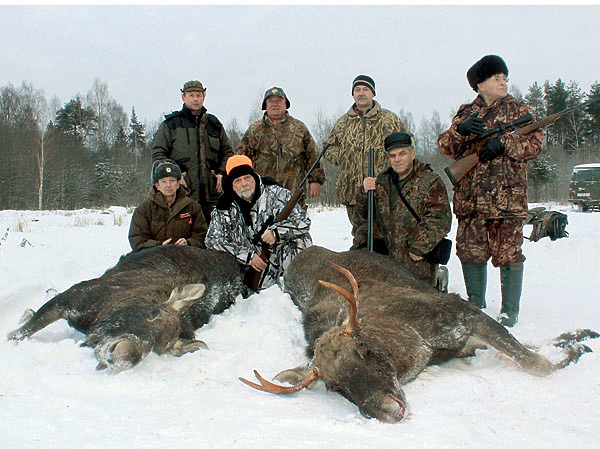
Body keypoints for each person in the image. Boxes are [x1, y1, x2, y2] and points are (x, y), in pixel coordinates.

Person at [438, 55, 543, 327]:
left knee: (509, 253)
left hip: (507, 198)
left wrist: (506, 144)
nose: (503, 81)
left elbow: (535, 146)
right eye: (496, 77)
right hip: (471, 199)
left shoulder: (519, 110)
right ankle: (475, 305)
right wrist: (460, 131)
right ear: (479, 84)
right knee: (470, 251)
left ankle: (509, 311)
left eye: (505, 77)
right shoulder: (465, 113)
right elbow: (446, 147)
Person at [354, 132, 451, 288]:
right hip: (385, 265)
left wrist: (419, 248)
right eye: (392, 155)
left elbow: (440, 220)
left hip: (417, 265)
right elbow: (361, 219)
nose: (397, 159)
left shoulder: (430, 181)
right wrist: (363, 193)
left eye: (402, 154)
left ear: (412, 154)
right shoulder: (380, 182)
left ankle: (438, 280)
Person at [205, 155, 312, 290]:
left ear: (255, 177)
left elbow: (303, 221)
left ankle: (301, 286)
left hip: (281, 256)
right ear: (231, 185)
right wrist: (247, 256)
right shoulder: (224, 207)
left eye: (247, 178)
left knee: (300, 239)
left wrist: (276, 232)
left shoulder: (276, 194)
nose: (244, 183)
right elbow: (212, 240)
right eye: (238, 180)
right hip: (250, 265)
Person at [325, 74, 409, 237]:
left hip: (385, 190)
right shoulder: (343, 123)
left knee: (389, 235)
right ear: (353, 94)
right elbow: (327, 148)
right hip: (354, 192)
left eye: (365, 89)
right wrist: (344, 157)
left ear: (373, 93)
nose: (361, 93)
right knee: (361, 235)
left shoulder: (389, 119)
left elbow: (408, 144)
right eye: (357, 90)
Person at [152, 80, 233, 224]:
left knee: (214, 239)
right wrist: (174, 174)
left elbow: (227, 152)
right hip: (183, 195)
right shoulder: (171, 125)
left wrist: (221, 172)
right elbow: (159, 154)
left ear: (204, 97)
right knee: (185, 238)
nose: (195, 99)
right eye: (191, 95)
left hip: (213, 195)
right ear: (183, 98)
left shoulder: (214, 124)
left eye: (199, 95)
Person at [236, 87, 325, 206]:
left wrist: (316, 181)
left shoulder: (299, 128)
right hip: (262, 196)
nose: (275, 104)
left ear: (286, 104)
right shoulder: (254, 130)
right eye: (271, 101)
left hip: (293, 194)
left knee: (296, 224)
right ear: (265, 105)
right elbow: (240, 161)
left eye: (278, 100)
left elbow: (313, 157)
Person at [128, 159, 207, 251]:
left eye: (172, 180)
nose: (168, 185)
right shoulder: (144, 209)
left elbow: (202, 236)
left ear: (178, 184)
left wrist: (188, 243)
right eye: (163, 181)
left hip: (185, 258)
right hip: (155, 258)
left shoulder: (193, 207)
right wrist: (159, 245)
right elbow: (137, 240)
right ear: (157, 185)